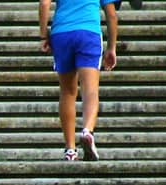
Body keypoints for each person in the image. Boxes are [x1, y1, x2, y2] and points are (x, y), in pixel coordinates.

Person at [40, 0, 128, 161]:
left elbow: (44, 3)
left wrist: (43, 34)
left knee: (67, 91)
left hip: (61, 33)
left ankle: (70, 150)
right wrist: (111, 47)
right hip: (89, 33)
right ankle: (87, 131)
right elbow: (112, 15)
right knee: (90, 90)